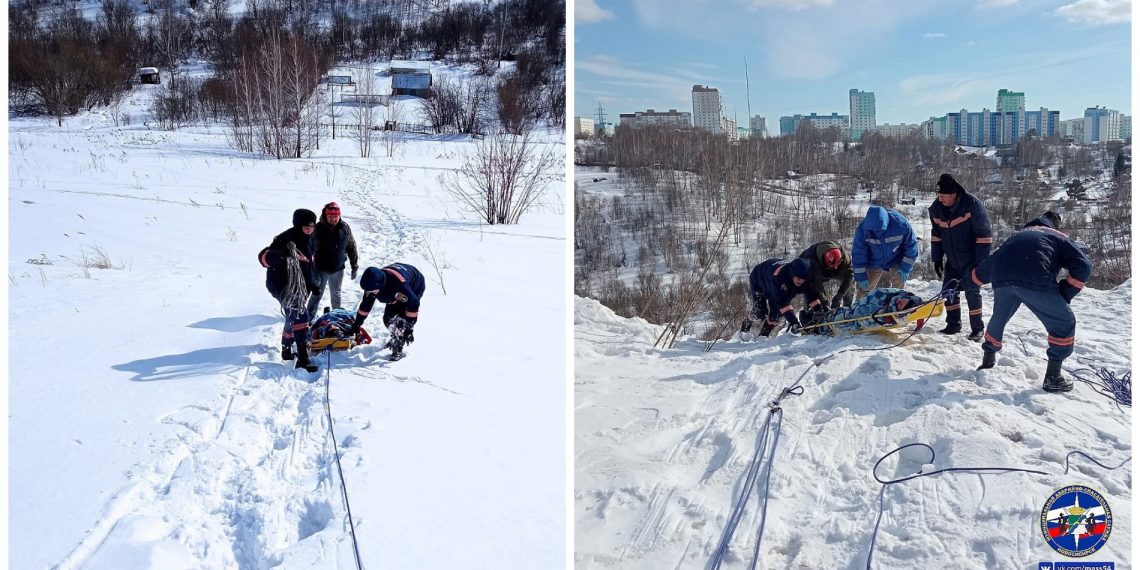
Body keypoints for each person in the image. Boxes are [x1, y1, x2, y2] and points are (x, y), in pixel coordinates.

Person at [972, 211, 1091, 392]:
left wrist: (970, 280)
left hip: (1002, 280)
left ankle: (988, 358)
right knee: (1064, 323)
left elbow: (991, 263)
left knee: (999, 317)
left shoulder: (1017, 235)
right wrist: (1065, 293)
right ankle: (1053, 377)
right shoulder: (1057, 236)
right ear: (1054, 225)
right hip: (1035, 278)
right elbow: (1084, 265)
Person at [929, 173, 993, 341]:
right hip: (952, 261)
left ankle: (977, 328)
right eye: (938, 195)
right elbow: (936, 236)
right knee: (948, 292)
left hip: (971, 259)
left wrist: (979, 264)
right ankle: (953, 324)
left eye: (943, 196)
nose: (940, 199)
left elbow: (985, 237)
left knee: (972, 293)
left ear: (953, 194)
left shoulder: (971, 205)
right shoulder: (936, 209)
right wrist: (937, 258)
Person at [258, 209, 322, 373]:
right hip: (281, 284)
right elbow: (263, 258)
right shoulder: (285, 239)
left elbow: (308, 263)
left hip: (301, 286)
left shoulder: (310, 240)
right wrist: (284, 254)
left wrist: (312, 283)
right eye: (306, 227)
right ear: (298, 225)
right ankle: (302, 359)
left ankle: (286, 348)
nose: (310, 230)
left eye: (312, 227)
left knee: (293, 317)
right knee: (301, 316)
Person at [349, 263, 426, 358]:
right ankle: (395, 337)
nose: (369, 293)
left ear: (380, 286)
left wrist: (409, 328)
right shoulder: (371, 286)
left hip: (415, 285)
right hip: (393, 291)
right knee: (388, 319)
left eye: (371, 291)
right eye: (367, 291)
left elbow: (413, 303)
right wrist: (357, 324)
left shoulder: (400, 286)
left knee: (401, 319)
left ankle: (398, 346)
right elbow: (365, 306)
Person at [741, 257, 821, 337]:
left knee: (776, 316)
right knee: (759, 312)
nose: (802, 281)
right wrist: (795, 323)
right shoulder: (778, 279)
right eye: (799, 278)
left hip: (773, 283)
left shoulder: (804, 279)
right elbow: (784, 304)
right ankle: (746, 323)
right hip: (759, 278)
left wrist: (818, 310)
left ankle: (763, 336)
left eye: (804, 279)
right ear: (792, 273)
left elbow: (811, 294)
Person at [851, 206, 919, 298]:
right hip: (874, 261)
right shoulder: (863, 229)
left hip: (896, 258)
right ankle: (859, 309)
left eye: (879, 230)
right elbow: (859, 253)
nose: (877, 233)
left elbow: (911, 246)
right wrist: (861, 276)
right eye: (873, 231)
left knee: (899, 284)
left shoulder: (901, 224)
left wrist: (905, 268)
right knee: (865, 288)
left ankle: (896, 302)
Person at [306, 202, 359, 317]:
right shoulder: (318, 229)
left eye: (336, 216)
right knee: (317, 293)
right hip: (321, 268)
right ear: (325, 216)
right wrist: (313, 271)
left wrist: (354, 265)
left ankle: (336, 316)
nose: (333, 219)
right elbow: (310, 251)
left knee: (336, 293)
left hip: (338, 268)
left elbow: (351, 246)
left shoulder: (345, 228)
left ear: (339, 215)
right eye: (330, 216)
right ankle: (308, 317)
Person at [803, 287, 924, 335]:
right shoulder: (900, 295)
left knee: (837, 319)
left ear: (901, 311)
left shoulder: (885, 315)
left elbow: (862, 319)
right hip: (859, 306)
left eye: (902, 305)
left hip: (851, 317)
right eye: (904, 300)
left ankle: (813, 325)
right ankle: (817, 317)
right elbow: (921, 309)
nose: (901, 301)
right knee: (839, 313)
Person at [798, 240, 854, 309]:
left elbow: (849, 276)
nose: (835, 267)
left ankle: (847, 308)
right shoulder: (812, 261)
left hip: (832, 272)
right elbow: (817, 285)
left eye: (837, 265)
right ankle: (810, 313)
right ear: (824, 259)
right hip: (812, 273)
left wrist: (839, 296)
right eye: (832, 265)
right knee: (810, 292)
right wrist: (825, 304)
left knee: (849, 283)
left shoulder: (845, 257)